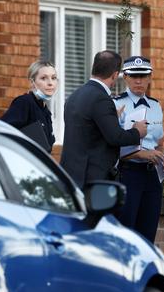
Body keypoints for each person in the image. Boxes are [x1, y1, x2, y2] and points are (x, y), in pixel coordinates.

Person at [61, 50, 148, 189]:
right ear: (115, 75)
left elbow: (87, 129)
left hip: (72, 175)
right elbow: (115, 137)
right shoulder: (101, 98)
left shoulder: (75, 95)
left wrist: (113, 118)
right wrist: (138, 132)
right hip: (92, 178)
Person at [113, 56, 164, 243]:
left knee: (148, 231)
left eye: (143, 76)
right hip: (129, 173)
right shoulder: (117, 104)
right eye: (134, 76)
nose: (138, 81)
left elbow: (159, 140)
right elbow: (114, 143)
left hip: (153, 175)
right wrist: (143, 154)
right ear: (126, 77)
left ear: (150, 77)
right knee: (126, 231)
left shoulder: (155, 105)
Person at [1, 60, 58, 153]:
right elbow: (3, 130)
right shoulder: (24, 102)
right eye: (43, 78)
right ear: (32, 82)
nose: (50, 83)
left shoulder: (45, 111)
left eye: (54, 78)